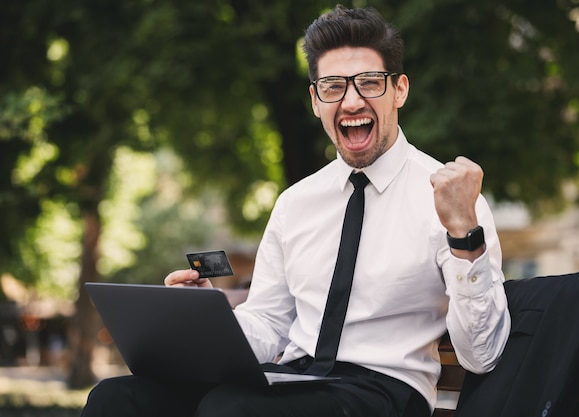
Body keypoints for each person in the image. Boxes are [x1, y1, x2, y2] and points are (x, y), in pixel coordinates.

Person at [80, 5, 510, 417]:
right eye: (334, 86)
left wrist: (463, 236)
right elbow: (269, 323)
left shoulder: (452, 200)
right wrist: (208, 324)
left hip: (384, 390)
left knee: (230, 410)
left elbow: (482, 355)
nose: (353, 100)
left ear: (399, 90)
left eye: (370, 82)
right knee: (119, 399)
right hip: (294, 381)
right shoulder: (296, 203)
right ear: (315, 100)